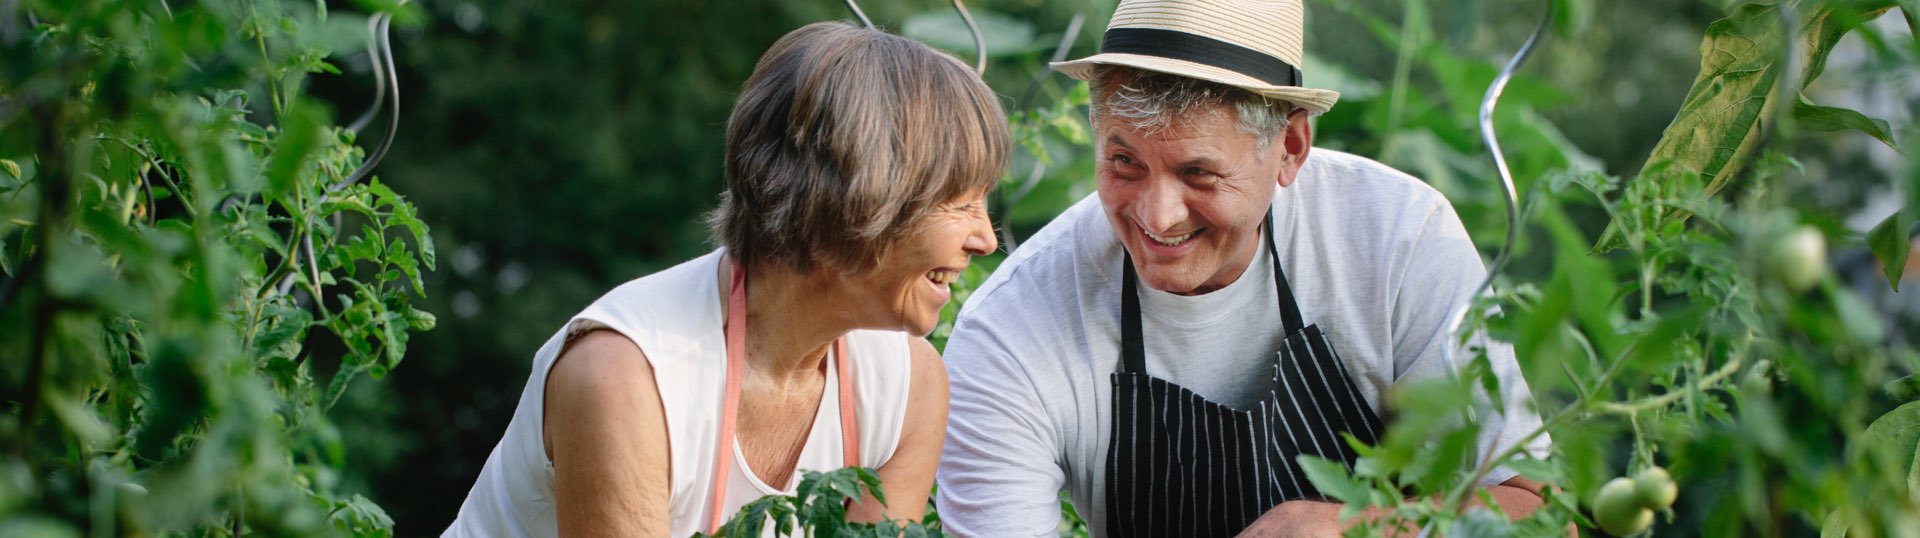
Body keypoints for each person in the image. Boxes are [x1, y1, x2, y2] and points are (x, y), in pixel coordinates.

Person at [933, 0, 1553, 536]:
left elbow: (1540, 514)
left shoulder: (1396, 238)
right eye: (1124, 163)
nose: (1157, 215)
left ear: (1290, 148)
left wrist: (1359, 528)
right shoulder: (1013, 331)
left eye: (1197, 173)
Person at [444, 21, 1007, 537]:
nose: (986, 239)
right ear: (860, 197)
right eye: (959, 203)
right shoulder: (626, 376)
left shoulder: (910, 388)